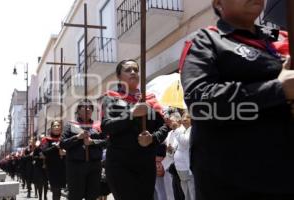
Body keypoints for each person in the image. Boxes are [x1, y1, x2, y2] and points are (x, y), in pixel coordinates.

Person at [180, 0, 294, 199]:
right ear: (219, 3)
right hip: (232, 180)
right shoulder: (208, 41)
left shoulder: (281, 40)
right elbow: (200, 103)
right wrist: (278, 89)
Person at [101, 59, 170, 200]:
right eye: (128, 70)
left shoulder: (149, 100)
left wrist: (152, 138)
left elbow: (164, 126)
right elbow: (106, 127)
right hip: (120, 164)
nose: (133, 72)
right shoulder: (111, 99)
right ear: (119, 76)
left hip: (145, 164)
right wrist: (131, 114)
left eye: (135, 69)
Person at [60, 99, 106, 200]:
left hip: (94, 166)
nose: (88, 109)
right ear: (78, 110)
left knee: (93, 196)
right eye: (85, 107)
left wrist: (93, 142)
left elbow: (106, 142)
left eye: (90, 107)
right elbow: (62, 144)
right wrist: (77, 137)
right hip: (75, 167)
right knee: (75, 196)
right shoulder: (70, 125)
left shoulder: (97, 126)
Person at [41, 120, 66, 200]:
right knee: (56, 192)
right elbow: (44, 152)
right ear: (51, 128)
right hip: (53, 169)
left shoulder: (64, 138)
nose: (56, 127)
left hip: (66, 168)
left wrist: (66, 153)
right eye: (54, 126)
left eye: (58, 125)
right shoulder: (46, 139)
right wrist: (56, 147)